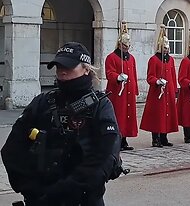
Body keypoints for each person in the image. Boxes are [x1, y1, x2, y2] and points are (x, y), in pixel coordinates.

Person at [1, 42, 122, 206]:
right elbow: (12, 149)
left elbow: (106, 155)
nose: (62, 71)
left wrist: (68, 189)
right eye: (58, 66)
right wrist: (30, 188)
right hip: (40, 198)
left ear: (86, 69)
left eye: (69, 66)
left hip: (84, 199)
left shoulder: (100, 105)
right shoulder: (42, 102)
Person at [140, 25, 178, 147]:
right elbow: (150, 77)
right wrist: (157, 81)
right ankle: (155, 138)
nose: (166, 50)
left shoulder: (171, 60)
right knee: (157, 115)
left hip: (168, 90)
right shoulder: (154, 60)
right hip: (158, 92)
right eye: (164, 48)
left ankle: (164, 137)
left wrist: (174, 89)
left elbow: (173, 76)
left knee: (167, 114)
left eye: (167, 48)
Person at [105, 21, 139, 151]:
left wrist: (135, 89)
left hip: (128, 91)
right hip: (117, 91)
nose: (126, 48)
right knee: (119, 115)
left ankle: (124, 139)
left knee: (128, 116)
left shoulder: (131, 58)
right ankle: (117, 140)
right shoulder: (111, 57)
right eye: (124, 45)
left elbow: (134, 75)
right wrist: (117, 77)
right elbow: (109, 73)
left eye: (128, 46)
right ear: (120, 44)